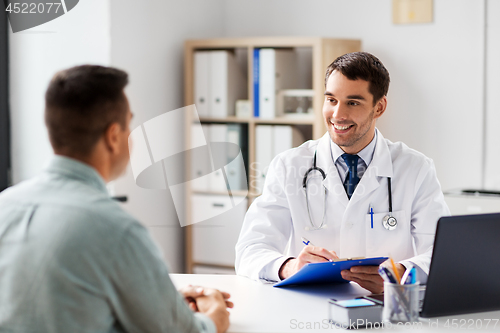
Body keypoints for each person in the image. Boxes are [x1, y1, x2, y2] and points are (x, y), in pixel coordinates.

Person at [0, 65, 231, 333]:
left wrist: (159, 301)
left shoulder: (5, 205)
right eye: (129, 124)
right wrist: (215, 316)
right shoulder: (117, 230)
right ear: (113, 136)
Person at [235, 52, 450, 293]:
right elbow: (250, 250)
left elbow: (442, 254)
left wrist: (400, 273)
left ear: (379, 107)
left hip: (385, 310)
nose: (337, 115)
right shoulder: (289, 166)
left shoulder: (415, 168)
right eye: (331, 100)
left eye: (353, 102)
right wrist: (290, 267)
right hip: (309, 309)